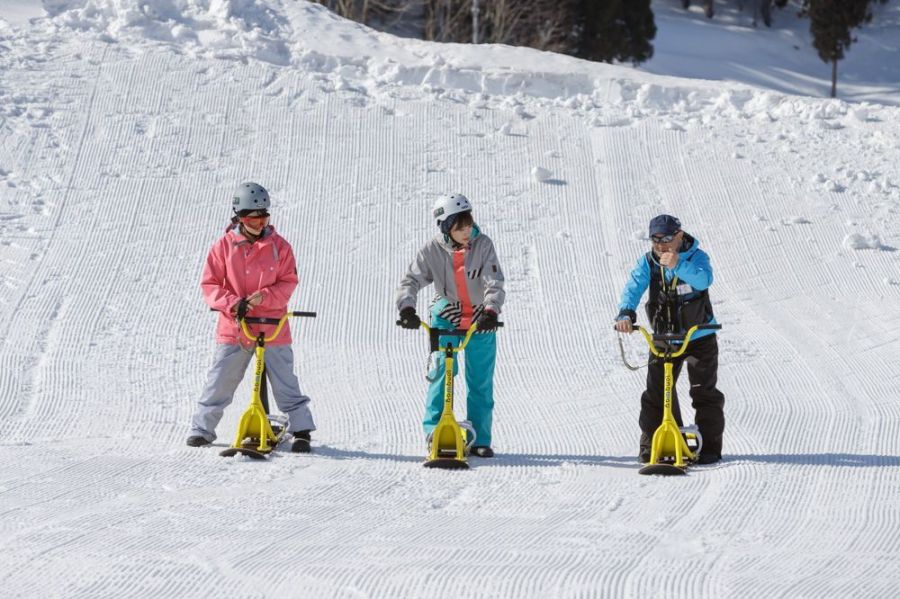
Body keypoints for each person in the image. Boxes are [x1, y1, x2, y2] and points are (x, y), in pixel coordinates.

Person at [186, 182, 316, 452]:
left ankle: (301, 430)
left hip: (273, 325)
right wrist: (234, 304)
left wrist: (264, 297)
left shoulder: (280, 247)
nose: (258, 224)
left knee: (285, 381)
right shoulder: (224, 247)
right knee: (221, 378)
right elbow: (210, 284)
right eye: (251, 219)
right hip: (236, 326)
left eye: (263, 218)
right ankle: (202, 429)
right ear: (239, 218)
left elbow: (288, 282)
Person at [396, 194, 506, 457]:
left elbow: (494, 281)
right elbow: (411, 280)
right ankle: (434, 432)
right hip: (446, 315)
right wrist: (407, 308)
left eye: (469, 225)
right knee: (442, 374)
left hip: (480, 318)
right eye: (460, 228)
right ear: (446, 228)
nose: (467, 232)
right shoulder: (432, 250)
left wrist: (491, 310)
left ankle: (480, 438)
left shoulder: (483, 244)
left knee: (480, 380)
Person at [614, 214, 724, 464]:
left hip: (699, 335)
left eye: (666, 239)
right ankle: (655, 444)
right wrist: (626, 313)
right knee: (657, 392)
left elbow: (704, 280)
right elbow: (633, 287)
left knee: (703, 391)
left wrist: (678, 265)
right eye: (655, 240)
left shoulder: (696, 257)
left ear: (679, 236)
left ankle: (709, 449)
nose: (661, 245)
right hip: (665, 337)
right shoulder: (649, 262)